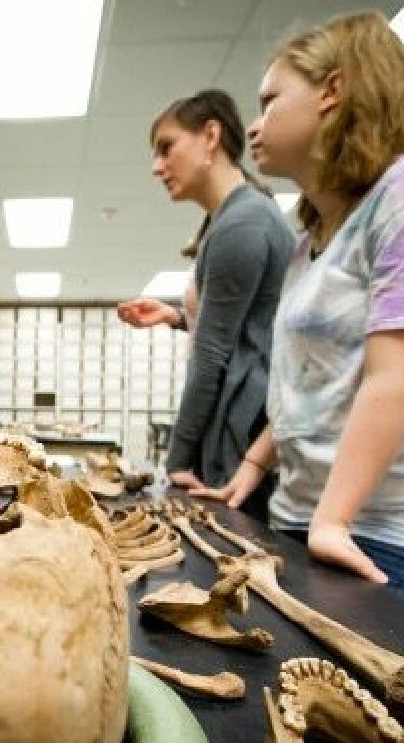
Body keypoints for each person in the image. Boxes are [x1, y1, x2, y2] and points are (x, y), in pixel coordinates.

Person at [194, 10, 404, 623]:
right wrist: (254, 469)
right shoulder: (310, 239)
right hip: (314, 523)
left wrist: (333, 519)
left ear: (332, 91)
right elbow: (311, 383)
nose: (254, 126)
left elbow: (397, 375)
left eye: (270, 101)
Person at [117, 90, 295, 518]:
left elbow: (214, 353)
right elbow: (244, 321)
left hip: (243, 431)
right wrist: (177, 318)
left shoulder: (243, 222)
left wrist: (176, 459)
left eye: (167, 147)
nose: (157, 166)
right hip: (243, 425)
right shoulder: (229, 219)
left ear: (210, 136)